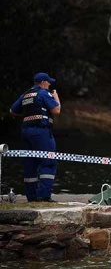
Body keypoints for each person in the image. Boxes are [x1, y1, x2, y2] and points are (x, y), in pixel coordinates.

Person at [10, 72, 61, 202]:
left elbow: (12, 110)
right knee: (48, 162)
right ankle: (43, 196)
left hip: (26, 131)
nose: (49, 84)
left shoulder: (26, 94)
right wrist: (56, 97)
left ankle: (31, 197)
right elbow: (56, 110)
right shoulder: (44, 93)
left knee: (30, 163)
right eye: (48, 82)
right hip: (41, 132)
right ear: (43, 82)